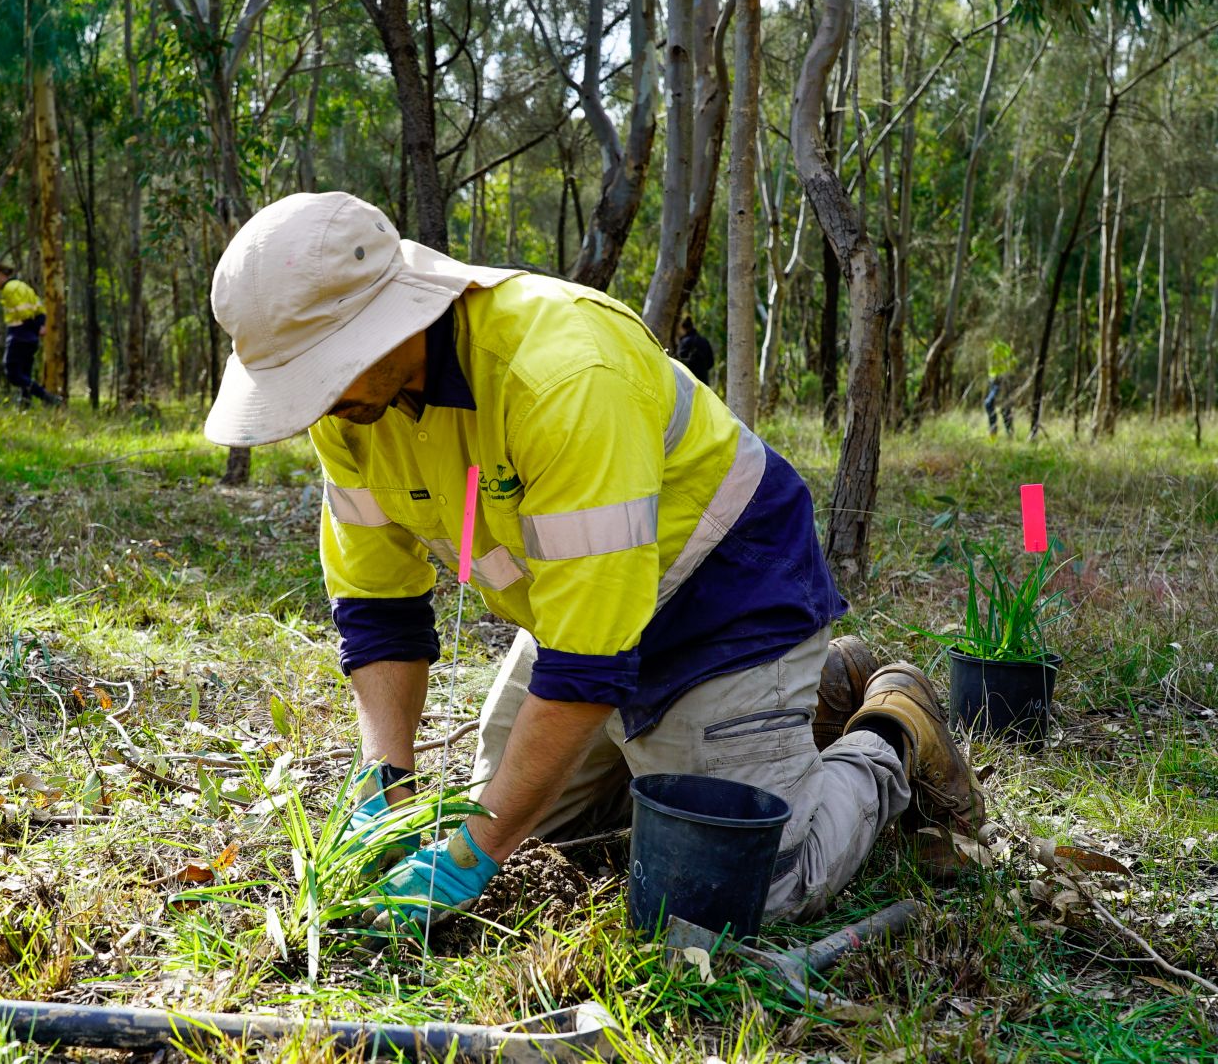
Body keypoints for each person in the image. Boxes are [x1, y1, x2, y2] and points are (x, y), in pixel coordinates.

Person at [202, 192, 983, 934]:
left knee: (730, 892)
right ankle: (799, 699)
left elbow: (586, 665)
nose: (316, 403)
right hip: (578, 609)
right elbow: (379, 608)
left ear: (384, 319)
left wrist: (476, 852)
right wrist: (386, 779)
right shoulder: (354, 407)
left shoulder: (562, 372)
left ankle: (889, 729)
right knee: (535, 835)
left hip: (722, 595)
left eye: (320, 372)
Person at [0, 263, 62, 407]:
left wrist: (34, 328)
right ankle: (25, 405)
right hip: (30, 338)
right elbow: (39, 308)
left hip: (19, 334)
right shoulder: (23, 286)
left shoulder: (9, 289)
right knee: (25, 373)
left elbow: (24, 313)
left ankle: (47, 397)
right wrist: (40, 326)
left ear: (1, 274)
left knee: (12, 372)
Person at [985, 339, 1015, 438]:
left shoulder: (1004, 349)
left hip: (1002, 381)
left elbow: (1013, 363)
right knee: (990, 404)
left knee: (1003, 408)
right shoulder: (990, 350)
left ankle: (1009, 433)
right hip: (993, 381)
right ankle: (993, 432)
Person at [674, 316, 714, 384]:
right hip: (703, 381)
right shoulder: (704, 341)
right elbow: (711, 362)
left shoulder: (684, 342)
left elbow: (678, 362)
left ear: (683, 329)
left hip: (687, 381)